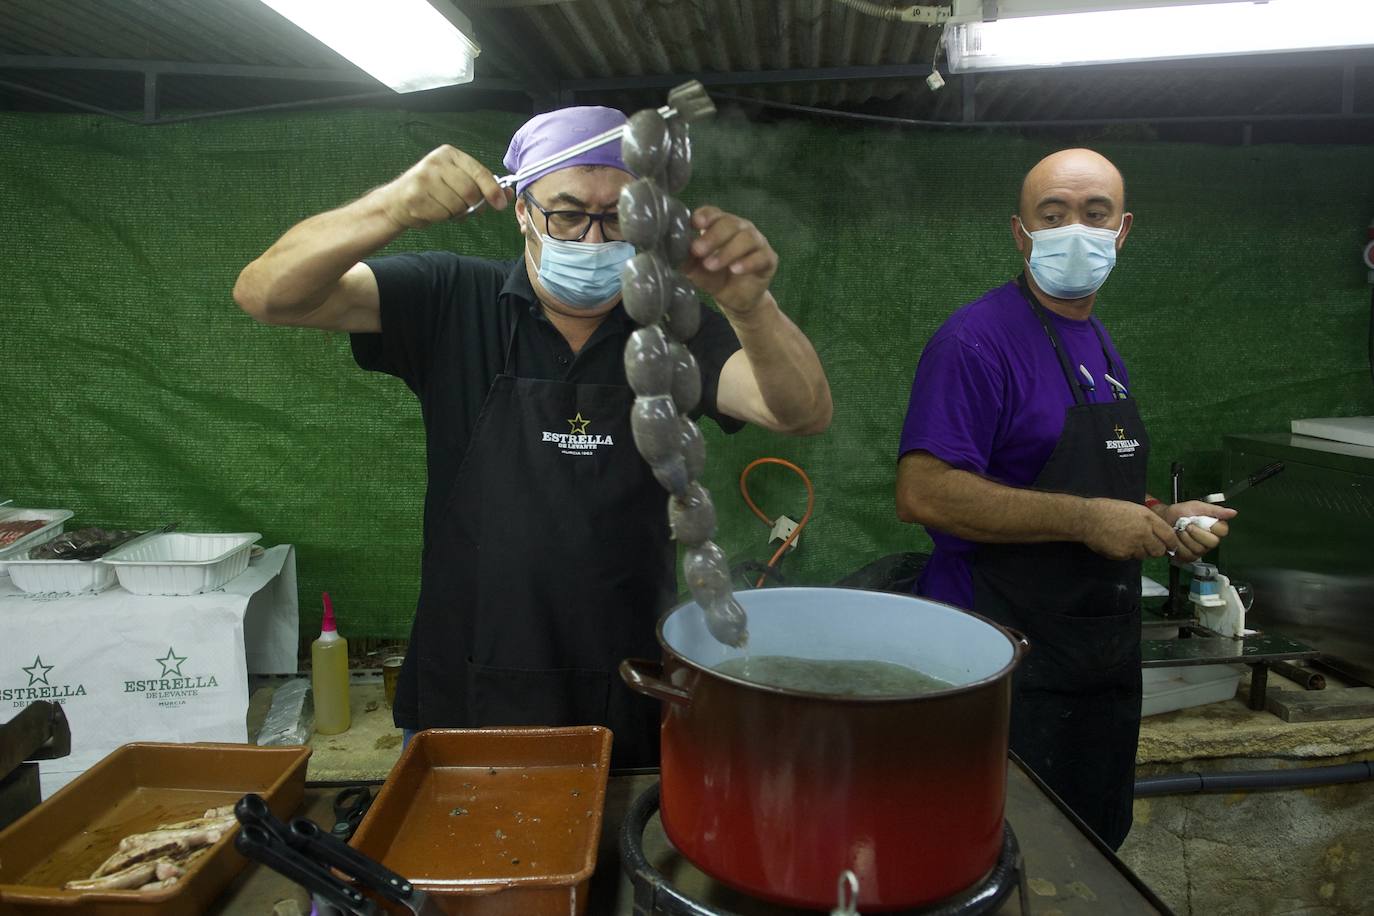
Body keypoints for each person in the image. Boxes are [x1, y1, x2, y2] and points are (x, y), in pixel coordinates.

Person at [234, 107, 832, 767]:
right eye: (567, 215)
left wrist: (750, 306)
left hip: (627, 679)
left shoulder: (673, 326)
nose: (594, 238)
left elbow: (799, 411)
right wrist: (392, 207)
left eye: (618, 218)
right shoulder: (452, 297)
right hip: (469, 677)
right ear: (522, 210)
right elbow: (266, 295)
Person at [894, 148, 1235, 848]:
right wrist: (1086, 520)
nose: (1075, 230)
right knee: (996, 854)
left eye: (1094, 213)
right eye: (1053, 215)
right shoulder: (975, 342)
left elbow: (1085, 479)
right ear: (1021, 234)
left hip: (1097, 663)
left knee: (1090, 856)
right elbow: (924, 493)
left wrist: (1159, 518)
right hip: (998, 662)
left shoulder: (1099, 344)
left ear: (1123, 230)